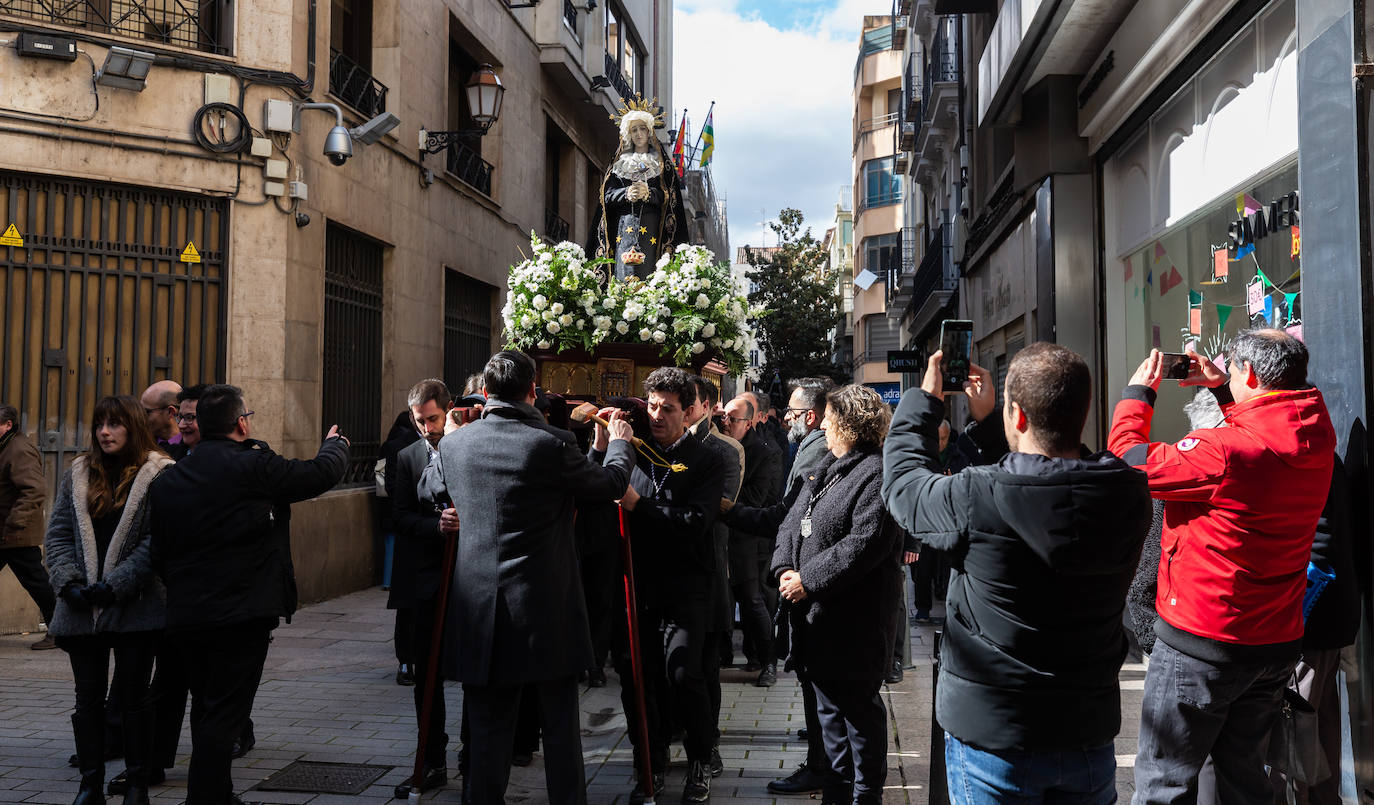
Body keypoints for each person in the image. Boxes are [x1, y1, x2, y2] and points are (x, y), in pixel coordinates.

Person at [883, 344, 1152, 805]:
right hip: (1085, 732)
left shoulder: (977, 496)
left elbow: (904, 485)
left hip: (996, 738)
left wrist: (924, 401)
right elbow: (1035, 479)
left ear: (1019, 415)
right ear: (1082, 413)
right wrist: (993, 425)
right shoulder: (1126, 493)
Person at [1108, 331, 1336, 805]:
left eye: (1233, 370)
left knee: (1164, 786)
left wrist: (1137, 395)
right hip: (1273, 644)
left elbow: (1128, 461)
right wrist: (1222, 388)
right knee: (1245, 781)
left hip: (1203, 644)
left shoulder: (1220, 451)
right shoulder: (1316, 431)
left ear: (1250, 374)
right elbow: (1264, 428)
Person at [439, 350, 637, 805]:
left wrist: (595, 453)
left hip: (481, 612)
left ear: (485, 393)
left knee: (488, 736)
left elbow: (439, 488)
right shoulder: (549, 444)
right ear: (532, 391)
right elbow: (605, 488)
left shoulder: (453, 445)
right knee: (561, 733)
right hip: (545, 610)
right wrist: (620, 444)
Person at [149, 384, 349, 805]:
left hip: (188, 615)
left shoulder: (170, 480)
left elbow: (159, 553)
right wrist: (336, 446)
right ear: (242, 423)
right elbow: (317, 474)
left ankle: (217, 794)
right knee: (225, 712)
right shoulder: (254, 466)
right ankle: (205, 798)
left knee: (207, 706)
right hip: (241, 615)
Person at [767, 384, 902, 805]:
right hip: (816, 622)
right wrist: (785, 568)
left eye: (829, 418)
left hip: (855, 623)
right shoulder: (828, 465)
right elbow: (792, 523)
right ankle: (836, 790)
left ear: (849, 424)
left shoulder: (877, 474)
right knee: (828, 714)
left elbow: (863, 543)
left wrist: (808, 578)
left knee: (858, 713)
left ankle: (866, 795)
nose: (822, 423)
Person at [599, 367, 724, 804]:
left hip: (687, 585)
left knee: (684, 673)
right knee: (637, 679)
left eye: (667, 409)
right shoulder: (634, 450)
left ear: (689, 412)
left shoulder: (709, 460)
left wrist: (640, 506)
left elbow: (694, 522)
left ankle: (701, 759)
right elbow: (604, 494)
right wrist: (604, 448)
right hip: (637, 586)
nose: (656, 415)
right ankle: (647, 763)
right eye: (651, 405)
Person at [44, 395, 176, 805]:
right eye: (100, 424)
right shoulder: (79, 471)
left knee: (135, 699)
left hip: (136, 605)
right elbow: (59, 533)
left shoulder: (161, 474)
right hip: (82, 607)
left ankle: (136, 784)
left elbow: (159, 542)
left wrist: (115, 585)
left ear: (133, 426)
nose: (105, 432)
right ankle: (90, 785)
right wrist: (69, 584)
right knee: (87, 700)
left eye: (115, 424)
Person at [387, 379, 461, 798]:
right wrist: (435, 525)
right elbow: (398, 516)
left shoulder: (466, 446)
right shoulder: (407, 457)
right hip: (423, 579)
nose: (429, 428)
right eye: (421, 421)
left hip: (466, 578)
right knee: (426, 677)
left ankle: (476, 752)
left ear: (448, 411)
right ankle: (432, 758)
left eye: (434, 419)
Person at [686, 375, 744, 779]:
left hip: (708, 567)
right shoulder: (653, 444)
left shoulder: (725, 450)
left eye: (684, 403)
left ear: (705, 405)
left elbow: (722, 506)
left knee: (705, 667)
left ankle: (708, 747)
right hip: (668, 574)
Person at [722, 394, 783, 685]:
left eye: (733, 419)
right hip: (722, 535)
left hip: (747, 538)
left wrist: (723, 501)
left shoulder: (763, 451)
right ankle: (731, 655)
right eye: (725, 417)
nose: (726, 423)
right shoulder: (721, 446)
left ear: (749, 422)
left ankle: (768, 662)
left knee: (752, 601)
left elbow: (760, 499)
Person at [588, 101, 686, 280]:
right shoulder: (618, 165)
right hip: (624, 226)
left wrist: (649, 194)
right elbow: (606, 196)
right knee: (623, 272)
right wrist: (625, 194)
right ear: (628, 134)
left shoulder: (663, 165)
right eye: (634, 130)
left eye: (642, 129)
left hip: (652, 226)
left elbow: (671, 197)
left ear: (649, 132)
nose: (639, 134)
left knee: (649, 272)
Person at [0, 403, 57, 651]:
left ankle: (59, 630)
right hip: (6, 531)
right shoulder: (5, 446)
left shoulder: (18, 449)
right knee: (37, 581)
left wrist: (15, 522)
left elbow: (34, 490)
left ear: (7, 425)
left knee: (37, 582)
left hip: (15, 533)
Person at [140, 381, 185, 460]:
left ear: (170, 412)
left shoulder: (193, 446)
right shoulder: (140, 444)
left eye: (147, 412)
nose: (141, 417)